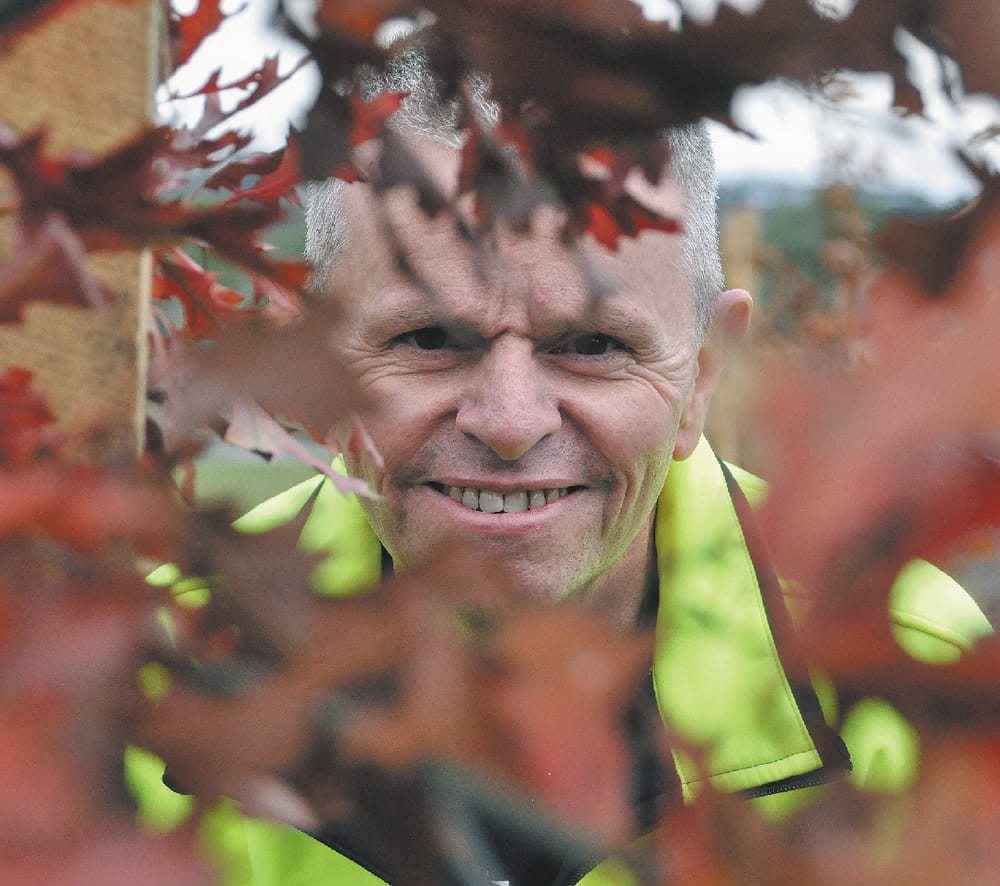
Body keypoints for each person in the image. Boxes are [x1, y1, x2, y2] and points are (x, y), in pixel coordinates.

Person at [132, 51, 992, 886]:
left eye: (593, 346)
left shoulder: (904, 668)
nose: (510, 423)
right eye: (429, 339)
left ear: (703, 376)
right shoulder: (151, 678)